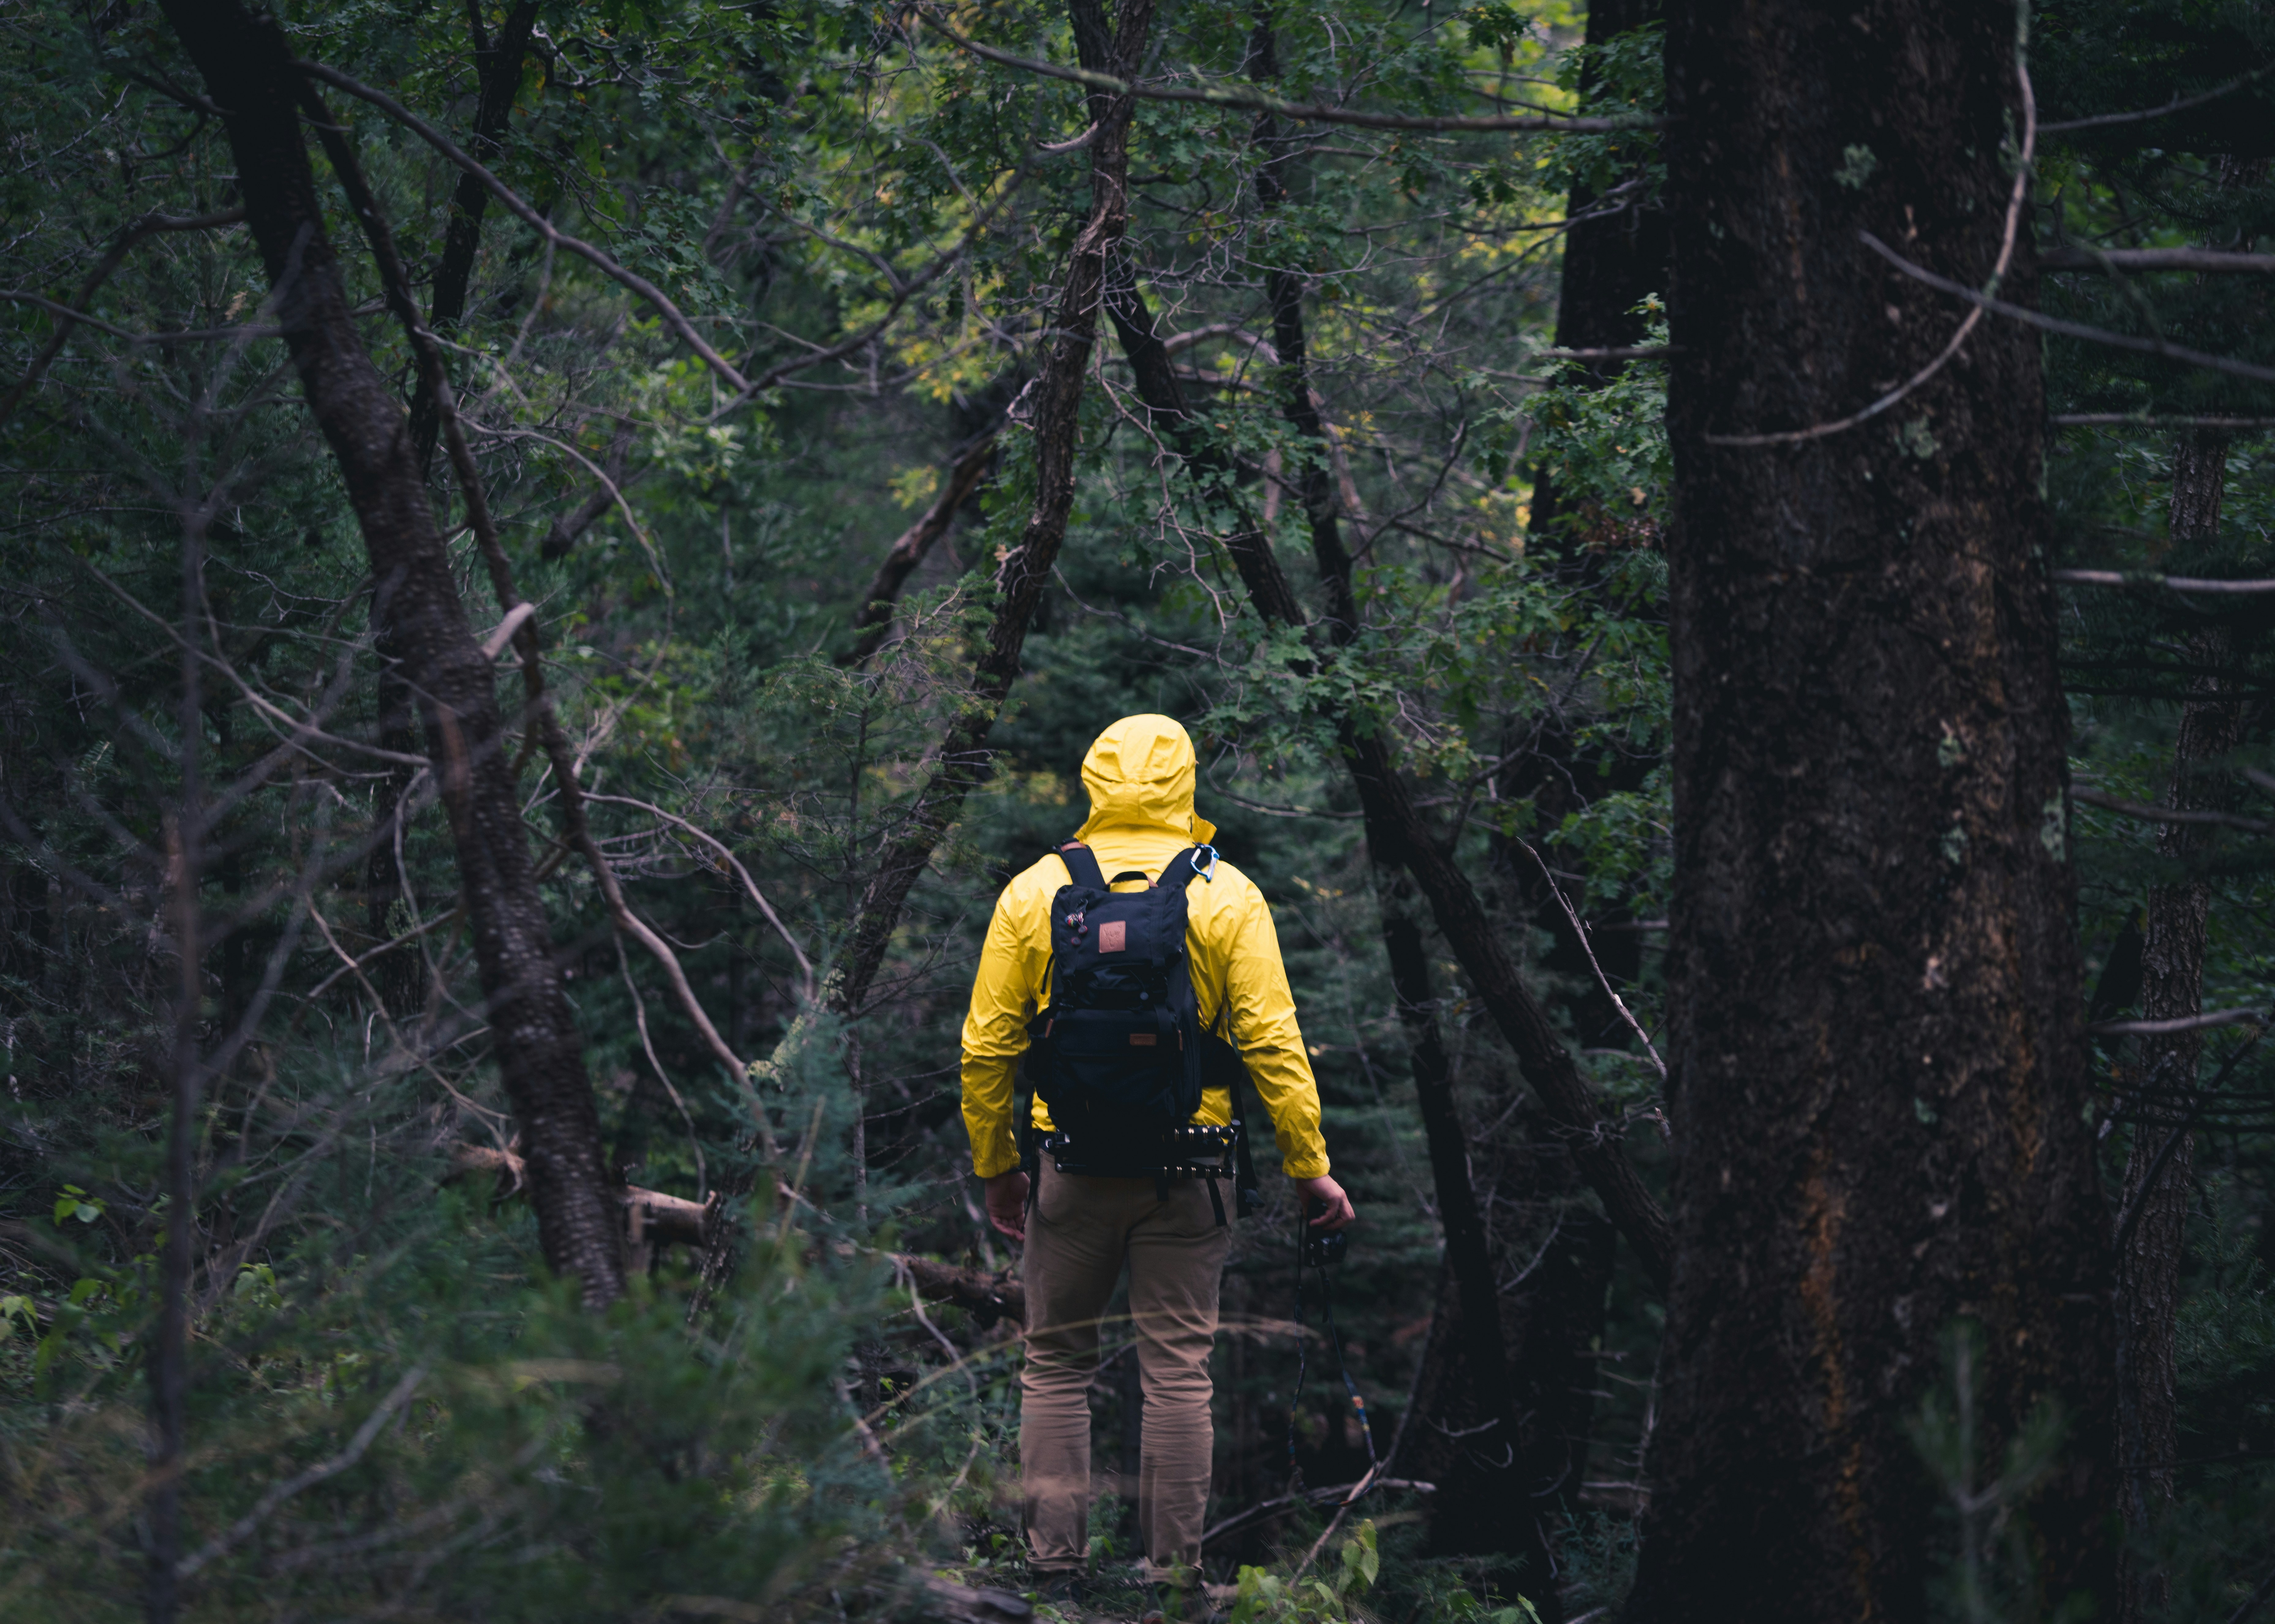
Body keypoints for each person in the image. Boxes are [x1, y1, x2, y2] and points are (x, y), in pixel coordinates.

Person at [960, 714, 1355, 1609]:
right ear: (1184, 784)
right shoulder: (1227, 895)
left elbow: (986, 1049)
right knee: (1176, 1371)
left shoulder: (1037, 891)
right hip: (1194, 1168)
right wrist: (1308, 1166)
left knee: (1056, 1367)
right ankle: (1171, 1578)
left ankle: (1054, 1570)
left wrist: (998, 1165)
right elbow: (1272, 1042)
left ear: (1093, 780)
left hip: (1073, 1163)